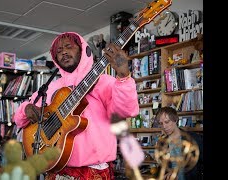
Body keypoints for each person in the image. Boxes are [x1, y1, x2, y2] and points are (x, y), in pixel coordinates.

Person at [13, 32, 139, 179]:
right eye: (58, 51)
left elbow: (126, 110)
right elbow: (19, 120)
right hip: (56, 171)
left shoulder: (105, 81)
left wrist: (124, 77)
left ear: (82, 50)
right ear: (55, 59)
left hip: (93, 172)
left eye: (69, 47)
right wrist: (26, 109)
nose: (64, 52)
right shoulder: (51, 87)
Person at [155, 107, 203, 180]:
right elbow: (162, 168)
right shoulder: (162, 143)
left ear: (175, 120)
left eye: (167, 122)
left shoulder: (195, 139)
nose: (164, 126)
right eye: (161, 123)